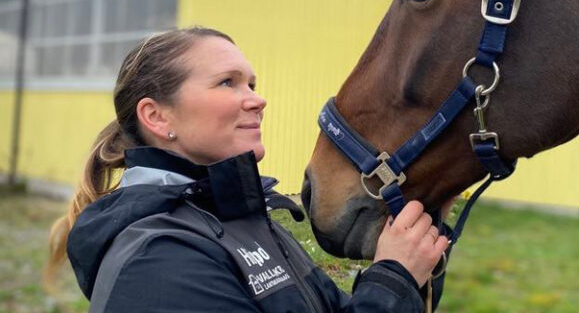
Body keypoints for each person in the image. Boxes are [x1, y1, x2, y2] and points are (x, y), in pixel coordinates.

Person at [46, 26, 451, 312]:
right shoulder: (158, 260)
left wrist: (406, 268)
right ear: (157, 117)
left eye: (252, 85)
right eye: (227, 82)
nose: (257, 100)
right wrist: (391, 280)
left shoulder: (244, 220)